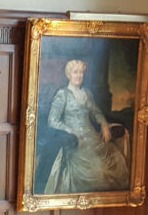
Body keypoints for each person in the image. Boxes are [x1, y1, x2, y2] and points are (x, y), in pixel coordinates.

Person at [42, 59, 129, 194]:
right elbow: (52, 120)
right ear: (68, 75)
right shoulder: (62, 94)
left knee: (116, 157)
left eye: (81, 73)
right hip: (76, 141)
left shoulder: (87, 93)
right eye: (75, 72)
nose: (79, 76)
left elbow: (96, 112)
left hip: (93, 137)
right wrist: (71, 132)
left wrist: (104, 124)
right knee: (98, 171)